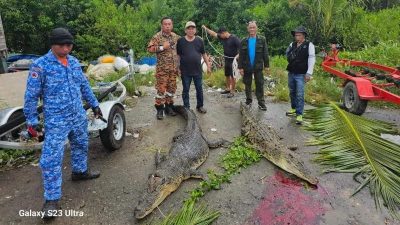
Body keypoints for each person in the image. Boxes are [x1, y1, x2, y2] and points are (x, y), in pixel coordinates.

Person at [23, 27, 102, 219]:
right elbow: (31, 96)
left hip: (77, 115)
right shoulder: (40, 65)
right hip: (56, 119)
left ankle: (80, 171)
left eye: (69, 45)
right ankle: (51, 199)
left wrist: (94, 104)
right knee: (51, 158)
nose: (67, 48)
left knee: (81, 144)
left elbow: (83, 85)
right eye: (63, 45)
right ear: (52, 45)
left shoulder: (74, 62)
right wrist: (32, 121)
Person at [147, 17, 180, 120]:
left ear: (172, 25)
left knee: (171, 89)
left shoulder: (175, 37)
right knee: (161, 91)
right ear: (162, 25)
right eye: (165, 24)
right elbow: (150, 49)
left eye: (169, 24)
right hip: (162, 70)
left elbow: (182, 48)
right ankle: (159, 109)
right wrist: (162, 47)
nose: (167, 26)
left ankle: (169, 107)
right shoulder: (157, 36)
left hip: (173, 70)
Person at [177, 21, 211, 113]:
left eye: (193, 28)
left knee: (199, 89)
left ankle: (200, 106)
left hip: (197, 70)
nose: (191, 30)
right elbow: (178, 55)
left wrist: (208, 66)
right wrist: (177, 67)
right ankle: (186, 107)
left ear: (195, 30)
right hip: (185, 71)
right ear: (185, 30)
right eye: (189, 29)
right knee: (186, 90)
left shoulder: (199, 40)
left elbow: (204, 54)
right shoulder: (181, 41)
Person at [285, 26, 316, 125]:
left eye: (298, 34)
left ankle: (299, 114)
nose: (296, 36)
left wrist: (309, 73)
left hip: (301, 74)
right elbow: (287, 54)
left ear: (303, 35)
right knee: (292, 92)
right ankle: (294, 109)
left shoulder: (309, 45)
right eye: (295, 34)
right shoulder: (292, 44)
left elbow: (312, 59)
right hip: (291, 72)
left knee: (300, 94)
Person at [201, 25, 241, 98]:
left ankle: (232, 91)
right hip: (227, 59)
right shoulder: (223, 37)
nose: (220, 37)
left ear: (224, 33)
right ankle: (228, 88)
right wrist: (205, 28)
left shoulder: (234, 38)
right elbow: (213, 34)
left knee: (233, 76)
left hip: (234, 61)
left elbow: (241, 49)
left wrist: (238, 56)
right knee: (227, 74)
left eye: (220, 35)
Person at [237, 21, 269, 111]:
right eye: (250, 27)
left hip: (258, 66)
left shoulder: (262, 39)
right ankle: (248, 101)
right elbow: (241, 55)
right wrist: (240, 67)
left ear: (256, 29)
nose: (252, 29)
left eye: (253, 27)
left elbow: (265, 53)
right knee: (247, 84)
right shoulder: (244, 41)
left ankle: (261, 103)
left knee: (259, 84)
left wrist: (267, 65)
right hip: (247, 66)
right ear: (248, 29)